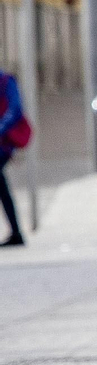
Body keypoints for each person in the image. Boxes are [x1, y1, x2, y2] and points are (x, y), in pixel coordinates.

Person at [0, 66, 26, 248]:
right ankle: (16, 232)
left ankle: (16, 232)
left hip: (3, 144)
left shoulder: (6, 81)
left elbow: (15, 109)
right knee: (2, 187)